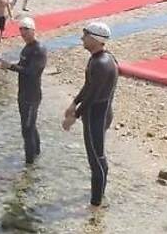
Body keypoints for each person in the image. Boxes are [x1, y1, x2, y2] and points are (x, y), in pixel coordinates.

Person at [62, 22, 118, 208]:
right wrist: (74, 102)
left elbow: (93, 95)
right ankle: (100, 196)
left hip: (97, 115)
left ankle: (95, 206)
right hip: (100, 112)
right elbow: (89, 86)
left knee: (96, 161)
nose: (82, 38)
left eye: (85, 35)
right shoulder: (103, 58)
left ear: (94, 39)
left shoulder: (101, 63)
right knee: (99, 157)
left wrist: (74, 117)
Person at [0, 18, 47, 165]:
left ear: (33, 30)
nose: (23, 33)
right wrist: (11, 67)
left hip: (32, 96)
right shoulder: (26, 48)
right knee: (30, 126)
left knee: (27, 129)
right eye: (21, 30)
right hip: (23, 94)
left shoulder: (39, 49)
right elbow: (22, 67)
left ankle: (29, 165)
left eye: (26, 29)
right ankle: (37, 154)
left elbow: (33, 72)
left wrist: (10, 67)